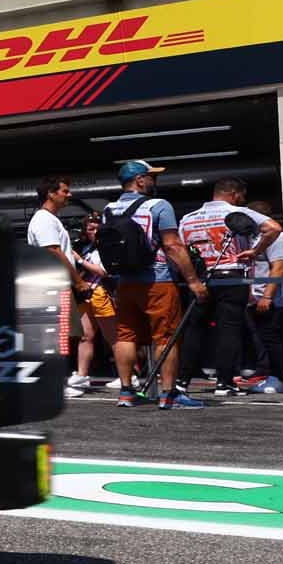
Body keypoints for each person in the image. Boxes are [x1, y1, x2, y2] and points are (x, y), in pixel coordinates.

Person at [100, 160, 210, 409]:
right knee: (166, 337)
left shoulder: (109, 209)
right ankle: (168, 394)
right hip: (158, 281)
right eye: (151, 177)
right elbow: (172, 245)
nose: (154, 181)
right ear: (140, 180)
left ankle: (126, 391)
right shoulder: (159, 206)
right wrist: (193, 280)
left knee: (126, 336)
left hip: (125, 282)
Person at [177, 178, 281, 397]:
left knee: (194, 330)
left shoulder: (187, 219)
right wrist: (255, 251)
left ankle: (182, 380)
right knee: (229, 329)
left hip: (199, 278)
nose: (242, 200)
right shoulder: (238, 212)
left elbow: (179, 251)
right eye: (242, 196)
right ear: (233, 193)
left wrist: (191, 278)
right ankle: (224, 383)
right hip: (231, 276)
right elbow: (273, 228)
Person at [28, 177, 95, 397]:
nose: (69, 195)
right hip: (54, 284)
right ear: (50, 193)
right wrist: (78, 281)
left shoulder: (50, 219)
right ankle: (56, 384)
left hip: (57, 283)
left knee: (72, 334)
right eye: (65, 191)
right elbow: (54, 252)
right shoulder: (44, 220)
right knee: (60, 336)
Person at [244, 199, 283, 392]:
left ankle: (279, 378)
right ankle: (265, 372)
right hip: (256, 296)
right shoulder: (256, 239)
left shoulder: (278, 239)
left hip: (273, 298)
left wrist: (267, 297)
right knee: (260, 337)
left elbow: (278, 268)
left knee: (270, 337)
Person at [74, 216, 119, 391]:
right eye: (90, 229)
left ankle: (128, 376)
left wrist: (79, 260)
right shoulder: (86, 247)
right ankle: (82, 376)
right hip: (86, 294)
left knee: (113, 337)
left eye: (96, 228)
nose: (94, 232)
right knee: (86, 336)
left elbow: (103, 271)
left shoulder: (108, 246)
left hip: (102, 293)